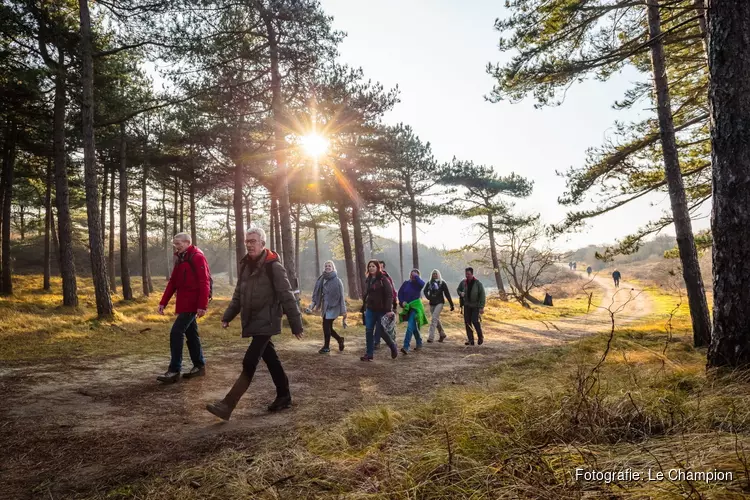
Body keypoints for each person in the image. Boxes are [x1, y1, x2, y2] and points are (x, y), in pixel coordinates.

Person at [206, 227, 303, 421]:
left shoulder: (273, 266)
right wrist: (228, 315)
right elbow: (239, 294)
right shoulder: (245, 265)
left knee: (249, 361)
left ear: (263, 244)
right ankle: (284, 395)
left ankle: (227, 405)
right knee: (271, 359)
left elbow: (286, 295)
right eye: (247, 241)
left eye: (253, 241)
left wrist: (296, 323)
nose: (249, 244)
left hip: (267, 320)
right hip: (253, 320)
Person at [156, 233, 210, 383]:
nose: (176, 246)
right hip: (183, 303)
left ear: (187, 242)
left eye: (178, 243)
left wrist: (202, 305)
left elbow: (204, 282)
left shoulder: (197, 257)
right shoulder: (180, 258)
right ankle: (199, 366)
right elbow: (173, 282)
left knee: (176, 332)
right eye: (175, 244)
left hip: (193, 304)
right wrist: (163, 302)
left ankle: (174, 371)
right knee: (192, 334)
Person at [360, 260, 398, 361]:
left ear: (378, 267)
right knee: (369, 331)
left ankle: (392, 346)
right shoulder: (368, 279)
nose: (371, 268)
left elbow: (389, 294)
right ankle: (369, 354)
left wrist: (389, 309)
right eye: (369, 266)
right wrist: (364, 306)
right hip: (370, 309)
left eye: (373, 266)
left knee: (381, 331)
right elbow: (367, 294)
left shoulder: (383, 279)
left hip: (381, 310)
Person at [309, 260, 347, 354]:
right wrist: (312, 305)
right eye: (326, 266)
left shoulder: (338, 281)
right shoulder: (322, 279)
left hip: (334, 306)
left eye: (329, 266)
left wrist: (343, 311)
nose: (327, 267)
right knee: (328, 327)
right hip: (325, 306)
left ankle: (326, 347)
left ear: (333, 268)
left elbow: (342, 297)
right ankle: (339, 339)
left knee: (326, 325)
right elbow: (317, 293)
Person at [398, 269, 427, 354]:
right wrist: (402, 301)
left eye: (415, 275)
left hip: (416, 307)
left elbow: (422, 284)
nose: (413, 276)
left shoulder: (418, 285)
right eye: (412, 274)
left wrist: (416, 276)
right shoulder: (406, 283)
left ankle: (406, 346)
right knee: (413, 327)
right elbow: (400, 293)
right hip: (407, 307)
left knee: (410, 326)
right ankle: (419, 342)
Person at [423, 269, 455, 343]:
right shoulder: (429, 283)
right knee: (436, 319)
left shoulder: (442, 283)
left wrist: (451, 304)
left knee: (434, 319)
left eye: (436, 274)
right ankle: (442, 334)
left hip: (440, 303)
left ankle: (431, 337)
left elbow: (447, 294)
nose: (435, 275)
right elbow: (425, 291)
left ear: (438, 274)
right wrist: (428, 297)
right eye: (433, 274)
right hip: (432, 303)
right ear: (432, 275)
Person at [457, 267, 486, 346]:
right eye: (466, 274)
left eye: (468, 274)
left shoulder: (478, 283)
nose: (467, 275)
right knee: (467, 322)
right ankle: (470, 340)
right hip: (466, 305)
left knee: (475, 321)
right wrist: (460, 293)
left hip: (475, 306)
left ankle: (480, 337)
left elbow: (482, 295)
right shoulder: (463, 282)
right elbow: (458, 289)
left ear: (472, 274)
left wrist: (481, 307)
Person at [373, 260, 398, 347]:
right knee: (378, 324)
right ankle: (377, 342)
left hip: (386, 305)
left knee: (386, 324)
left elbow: (392, 292)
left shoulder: (387, 278)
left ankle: (391, 340)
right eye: (378, 266)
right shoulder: (372, 278)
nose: (380, 268)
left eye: (381, 266)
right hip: (376, 306)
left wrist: (394, 304)